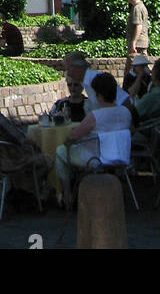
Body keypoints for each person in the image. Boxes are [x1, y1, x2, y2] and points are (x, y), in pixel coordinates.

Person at [56, 72, 132, 205]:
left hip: (96, 159)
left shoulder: (95, 116)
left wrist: (68, 139)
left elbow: (71, 138)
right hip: (121, 156)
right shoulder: (125, 113)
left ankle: (67, 195)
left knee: (61, 151)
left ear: (99, 95)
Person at [63, 53, 132, 110]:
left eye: (68, 69)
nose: (68, 74)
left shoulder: (97, 79)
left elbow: (125, 101)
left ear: (78, 67)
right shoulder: (86, 82)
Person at [124, 0, 149, 69]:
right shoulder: (140, 6)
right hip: (140, 44)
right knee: (141, 69)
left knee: (133, 70)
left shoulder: (137, 8)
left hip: (138, 45)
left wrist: (133, 42)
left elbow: (139, 26)